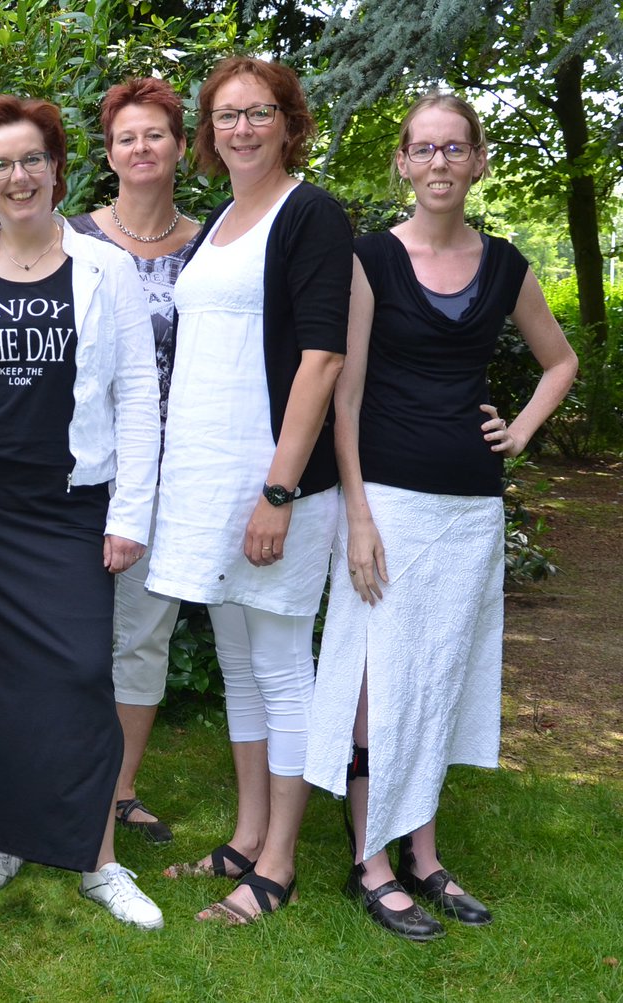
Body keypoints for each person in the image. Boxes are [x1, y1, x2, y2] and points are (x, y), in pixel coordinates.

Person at [304, 93, 577, 941]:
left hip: (470, 510)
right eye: (422, 150)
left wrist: (521, 428)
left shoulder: (506, 265)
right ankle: (370, 861)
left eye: (454, 148)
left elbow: (559, 360)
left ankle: (423, 853)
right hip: (387, 499)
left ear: (479, 160)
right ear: (402, 162)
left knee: (440, 680)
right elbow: (343, 397)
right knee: (375, 681)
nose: (438, 164)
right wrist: (355, 513)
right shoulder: (369, 260)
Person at [0, 95, 164, 930]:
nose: (17, 177)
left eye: (30, 160)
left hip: (69, 508)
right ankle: (7, 831)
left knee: (82, 675)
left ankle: (96, 858)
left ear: (57, 168)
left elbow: (138, 400)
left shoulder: (103, 268)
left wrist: (130, 513)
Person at [150, 56, 350, 924]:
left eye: (258, 113)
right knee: (239, 666)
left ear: (288, 121)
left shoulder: (310, 213)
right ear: (209, 130)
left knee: (280, 666)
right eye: (226, 115)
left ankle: (277, 861)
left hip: (274, 484)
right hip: (208, 476)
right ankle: (245, 832)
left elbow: (323, 356)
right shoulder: (224, 218)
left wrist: (280, 490)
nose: (241, 128)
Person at [67, 77, 200, 845]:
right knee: (68, 630)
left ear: (180, 146)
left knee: (144, 634)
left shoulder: (213, 245)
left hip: (173, 473)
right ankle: (57, 774)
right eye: (126, 136)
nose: (142, 148)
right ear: (109, 151)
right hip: (80, 468)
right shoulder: (74, 239)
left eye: (155, 134)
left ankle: (119, 789)